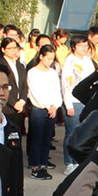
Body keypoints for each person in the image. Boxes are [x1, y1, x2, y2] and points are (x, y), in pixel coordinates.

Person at [59, 37, 97, 172]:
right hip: (72, 101)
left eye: (86, 46)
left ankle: (79, 161)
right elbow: (65, 84)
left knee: (84, 132)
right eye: (81, 46)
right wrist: (68, 104)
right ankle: (69, 162)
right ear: (74, 47)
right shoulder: (69, 61)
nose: (84, 48)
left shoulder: (88, 61)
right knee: (71, 133)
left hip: (86, 101)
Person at [26, 44, 62, 180]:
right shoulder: (33, 72)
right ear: (41, 56)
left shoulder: (52, 73)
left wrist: (55, 106)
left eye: (52, 59)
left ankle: (43, 165)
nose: (50, 61)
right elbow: (34, 93)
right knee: (37, 139)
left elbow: (57, 91)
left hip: (52, 110)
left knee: (46, 140)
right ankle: (35, 166)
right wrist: (47, 106)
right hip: (39, 110)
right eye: (48, 58)